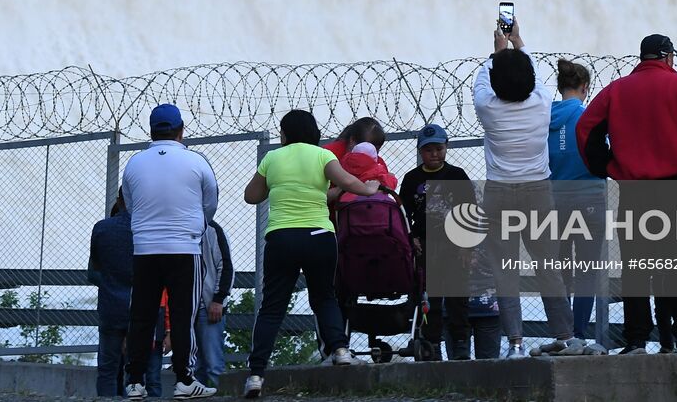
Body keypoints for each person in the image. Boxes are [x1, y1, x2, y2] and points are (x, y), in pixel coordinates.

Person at [577, 33, 677, 356]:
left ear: (642, 57)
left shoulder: (616, 91)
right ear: (668, 57)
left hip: (635, 192)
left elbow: (586, 129)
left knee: (636, 266)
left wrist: (608, 167)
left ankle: (635, 340)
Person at [241, 109, 382, 399]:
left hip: (281, 238)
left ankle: (255, 375)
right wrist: (369, 189)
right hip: (319, 236)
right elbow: (347, 182)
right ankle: (341, 349)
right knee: (324, 297)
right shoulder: (322, 156)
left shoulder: (273, 158)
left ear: (286, 133)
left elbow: (251, 196)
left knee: (272, 308)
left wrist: (276, 183)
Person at [472, 20, 582, 358]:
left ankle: (516, 344)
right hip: (537, 192)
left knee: (505, 272)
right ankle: (565, 336)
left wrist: (498, 50)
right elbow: (532, 73)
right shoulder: (542, 101)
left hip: (499, 192)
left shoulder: (486, 107)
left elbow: (484, 75)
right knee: (549, 266)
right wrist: (518, 42)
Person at [120, 105, 219, 399]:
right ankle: (184, 379)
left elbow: (130, 203)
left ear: (151, 131)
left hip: (145, 249)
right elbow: (210, 204)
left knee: (141, 314)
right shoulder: (196, 161)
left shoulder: (134, 164)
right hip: (184, 248)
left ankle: (134, 382)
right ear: (181, 130)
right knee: (182, 314)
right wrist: (195, 226)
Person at [398, 123, 473, 360]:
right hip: (426, 248)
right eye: (429, 150)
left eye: (439, 148)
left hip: (454, 245)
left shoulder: (457, 175)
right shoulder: (412, 179)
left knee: (457, 299)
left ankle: (460, 346)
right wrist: (412, 239)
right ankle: (431, 346)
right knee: (429, 300)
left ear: (446, 147)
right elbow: (404, 215)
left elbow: (469, 212)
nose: (434, 154)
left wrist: (466, 245)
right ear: (421, 152)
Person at [548, 58, 607, 351]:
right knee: (587, 269)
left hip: (555, 199)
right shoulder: (589, 118)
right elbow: (603, 156)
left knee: (559, 269)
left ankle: (563, 332)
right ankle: (580, 333)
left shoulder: (544, 119)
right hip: (590, 199)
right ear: (585, 87)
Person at [89, 192, 163, 397]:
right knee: (139, 373)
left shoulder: (102, 228)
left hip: (111, 307)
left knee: (107, 369)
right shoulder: (150, 229)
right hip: (142, 308)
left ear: (119, 200)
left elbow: (96, 266)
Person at [192, 220, 232, 391]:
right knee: (194, 366)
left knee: (213, 364)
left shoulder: (212, 230)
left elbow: (226, 266)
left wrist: (218, 300)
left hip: (207, 306)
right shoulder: (181, 227)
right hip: (188, 308)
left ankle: (224, 395)